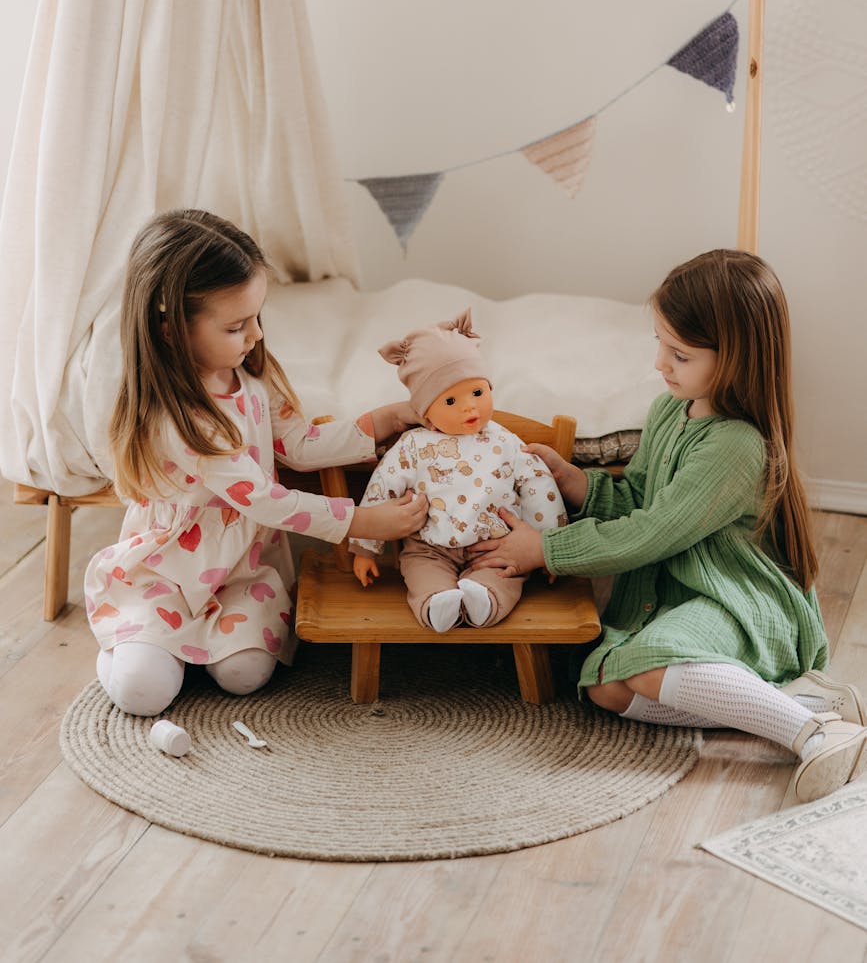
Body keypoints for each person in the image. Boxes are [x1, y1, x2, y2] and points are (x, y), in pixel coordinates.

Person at [468, 250, 867, 804]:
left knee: (652, 669)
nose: (660, 362)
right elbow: (638, 497)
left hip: (736, 595)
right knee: (607, 687)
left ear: (737, 359)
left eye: (678, 353)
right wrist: (575, 483)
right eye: (659, 343)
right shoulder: (666, 412)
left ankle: (812, 734)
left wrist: (546, 549)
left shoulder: (735, 446)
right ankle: (806, 704)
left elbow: (651, 532)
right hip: (677, 591)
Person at [85, 209, 428, 716]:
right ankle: (132, 645)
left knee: (245, 677)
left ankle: (182, 650)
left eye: (257, 319)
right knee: (143, 694)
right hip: (168, 573)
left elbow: (301, 443)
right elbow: (264, 499)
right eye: (236, 326)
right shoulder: (178, 419)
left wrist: (381, 422)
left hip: (241, 570)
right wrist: (360, 519)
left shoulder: (250, 379)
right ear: (172, 330)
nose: (256, 336)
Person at [349, 310, 568, 631]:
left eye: (478, 393)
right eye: (450, 401)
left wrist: (550, 547)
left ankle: (484, 598)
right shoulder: (413, 446)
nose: (469, 406)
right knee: (420, 572)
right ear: (425, 411)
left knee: (506, 575)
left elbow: (539, 486)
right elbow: (382, 489)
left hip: (497, 545)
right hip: (430, 547)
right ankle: (437, 603)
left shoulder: (505, 441)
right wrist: (365, 548)